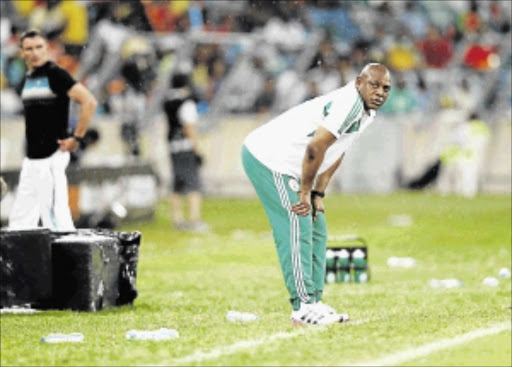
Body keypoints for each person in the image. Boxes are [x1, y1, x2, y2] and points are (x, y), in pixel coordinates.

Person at [242, 63, 391, 325]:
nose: (380, 92)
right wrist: (304, 192)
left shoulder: (368, 113)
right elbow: (315, 147)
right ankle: (301, 307)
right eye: (374, 85)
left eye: (386, 88)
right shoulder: (350, 104)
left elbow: (337, 149)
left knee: (317, 225)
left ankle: (315, 302)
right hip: (271, 158)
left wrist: (318, 193)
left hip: (296, 166)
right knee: (297, 223)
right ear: (359, 82)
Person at [8, 29, 97, 230]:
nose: (35, 52)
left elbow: (89, 101)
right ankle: (21, 261)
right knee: (20, 220)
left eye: (39, 47)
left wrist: (77, 137)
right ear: (22, 53)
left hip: (51, 156)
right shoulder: (26, 79)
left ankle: (67, 260)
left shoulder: (56, 75)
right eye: (29, 48)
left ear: (47, 49)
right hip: (31, 159)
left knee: (55, 219)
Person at [162, 73, 209, 232]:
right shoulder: (187, 103)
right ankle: (194, 219)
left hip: (173, 145)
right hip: (185, 146)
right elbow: (189, 127)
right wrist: (197, 150)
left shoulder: (168, 102)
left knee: (177, 184)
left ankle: (178, 219)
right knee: (193, 184)